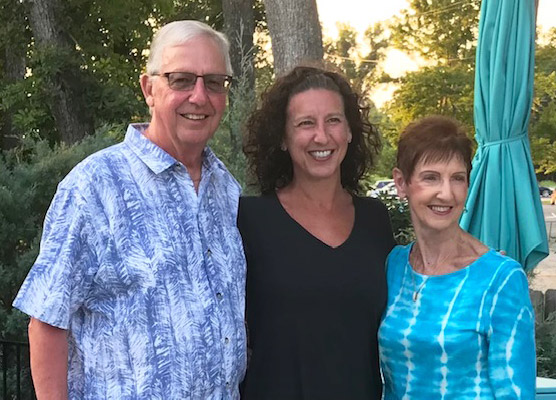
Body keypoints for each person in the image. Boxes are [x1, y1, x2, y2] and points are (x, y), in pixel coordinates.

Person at [13, 20, 246, 399]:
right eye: (182, 79)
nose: (200, 96)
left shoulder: (227, 190)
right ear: (149, 88)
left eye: (215, 82)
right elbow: (47, 321)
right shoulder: (95, 186)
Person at [239, 65, 395, 399]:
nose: (321, 136)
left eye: (333, 121)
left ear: (350, 132)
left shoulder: (375, 220)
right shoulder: (249, 220)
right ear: (282, 137)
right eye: (305, 123)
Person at [378, 115, 536, 399]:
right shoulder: (394, 266)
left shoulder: (500, 280)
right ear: (401, 183)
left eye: (458, 178)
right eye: (431, 177)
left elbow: (516, 392)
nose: (446, 193)